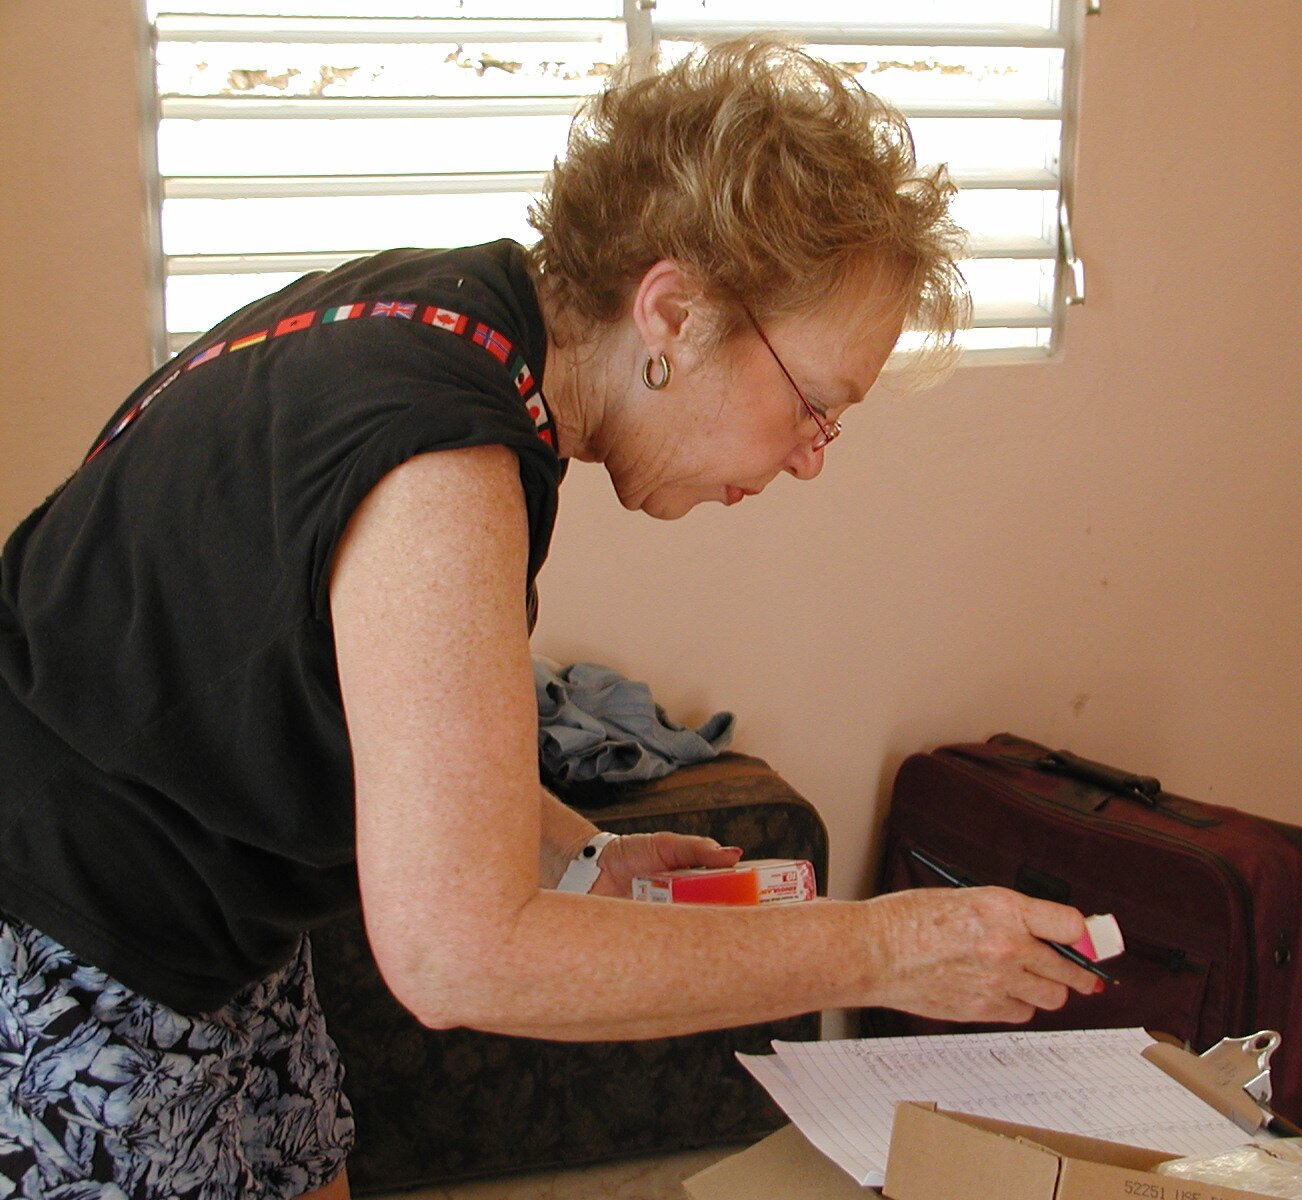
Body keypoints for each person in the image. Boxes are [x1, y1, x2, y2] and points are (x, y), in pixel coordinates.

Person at [0, 38, 1099, 1200]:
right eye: (812, 406)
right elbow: (456, 955)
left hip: (208, 918)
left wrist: (579, 853)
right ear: (672, 310)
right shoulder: (440, 458)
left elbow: (393, 713)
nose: (809, 458)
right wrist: (885, 949)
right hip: (66, 934)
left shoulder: (454, 320)